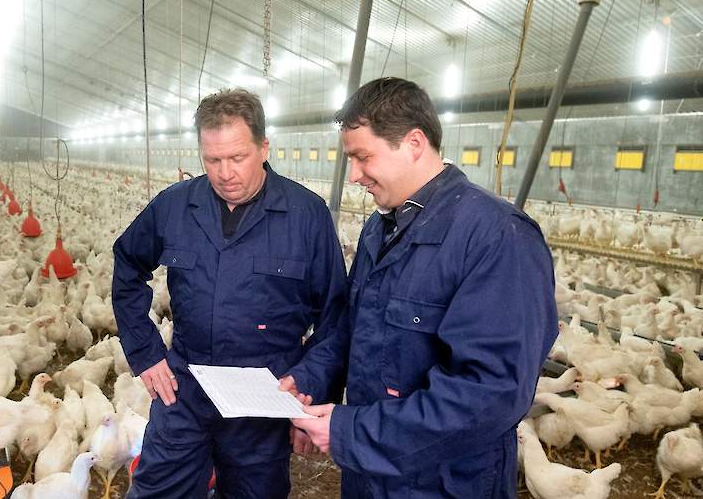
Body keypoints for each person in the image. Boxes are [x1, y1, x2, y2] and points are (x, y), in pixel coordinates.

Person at [283, 77, 559, 498]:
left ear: (413, 143)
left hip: (446, 482)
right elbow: (352, 330)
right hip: (371, 475)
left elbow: (489, 392)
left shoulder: (496, 236)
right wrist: (309, 380)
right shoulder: (380, 228)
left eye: (363, 157)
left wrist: (349, 432)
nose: (354, 175)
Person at [112, 88, 348, 499]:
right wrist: (146, 353)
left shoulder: (306, 215)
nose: (225, 172)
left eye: (237, 157)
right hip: (185, 386)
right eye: (213, 160)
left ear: (263, 147)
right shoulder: (174, 205)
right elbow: (128, 265)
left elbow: (335, 317)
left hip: (265, 396)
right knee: (156, 490)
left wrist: (309, 389)